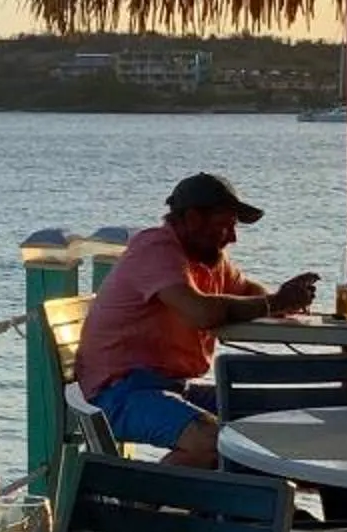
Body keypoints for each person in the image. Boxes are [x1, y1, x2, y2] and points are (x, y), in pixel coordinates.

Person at [72, 173, 319, 468]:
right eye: (223, 226)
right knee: (211, 440)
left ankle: (250, 509)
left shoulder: (207, 258)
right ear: (191, 219)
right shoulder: (156, 249)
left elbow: (248, 292)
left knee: (269, 422)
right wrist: (275, 303)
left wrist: (282, 299)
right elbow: (202, 313)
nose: (232, 237)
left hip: (172, 387)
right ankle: (138, 508)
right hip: (117, 393)